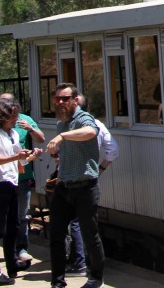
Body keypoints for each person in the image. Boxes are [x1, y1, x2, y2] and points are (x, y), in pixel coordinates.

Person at [46, 83, 104, 288]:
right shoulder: (61, 123)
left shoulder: (82, 118)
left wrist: (63, 137)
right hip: (64, 185)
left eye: (65, 98)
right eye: (57, 99)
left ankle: (96, 277)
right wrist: (56, 154)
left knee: (90, 234)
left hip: (85, 186)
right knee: (56, 234)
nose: (60, 102)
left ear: (75, 100)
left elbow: (91, 131)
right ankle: (57, 281)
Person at [0, 99, 39, 286]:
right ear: (2, 116)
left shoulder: (12, 133)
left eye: (16, 115)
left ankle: (12, 264)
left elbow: (19, 161)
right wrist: (17, 156)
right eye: (12, 115)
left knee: (12, 227)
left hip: (12, 183)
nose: (16, 119)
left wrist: (31, 157)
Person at [65, 94, 119, 276]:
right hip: (91, 179)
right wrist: (100, 169)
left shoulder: (71, 126)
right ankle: (91, 264)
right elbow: (113, 150)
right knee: (89, 223)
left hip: (75, 180)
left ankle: (79, 263)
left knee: (75, 221)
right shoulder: (98, 125)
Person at [0, 93, 44, 266]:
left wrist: (30, 129)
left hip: (22, 177)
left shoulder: (24, 121)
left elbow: (41, 139)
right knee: (2, 217)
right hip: (1, 177)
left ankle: (21, 249)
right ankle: (0, 251)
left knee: (22, 216)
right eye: (2, 103)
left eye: (9, 103)